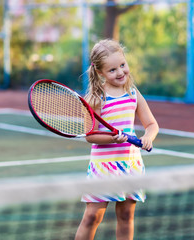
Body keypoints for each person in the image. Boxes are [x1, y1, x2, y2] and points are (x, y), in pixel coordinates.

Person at [75, 39, 159, 240]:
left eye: (122, 65)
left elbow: (152, 125)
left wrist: (148, 137)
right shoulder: (96, 98)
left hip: (130, 164)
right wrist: (113, 139)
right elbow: (90, 136)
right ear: (100, 72)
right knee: (92, 217)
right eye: (112, 70)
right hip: (103, 166)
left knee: (126, 215)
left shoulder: (132, 93)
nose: (120, 72)